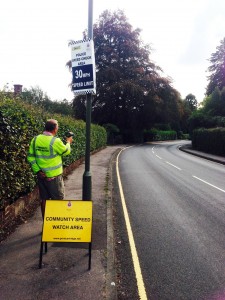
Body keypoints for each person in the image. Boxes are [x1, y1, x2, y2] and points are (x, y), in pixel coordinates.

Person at [27, 119, 73, 217]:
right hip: (54, 178)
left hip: (41, 176)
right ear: (55, 129)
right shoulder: (55, 141)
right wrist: (68, 142)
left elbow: (30, 157)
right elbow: (66, 151)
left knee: (44, 200)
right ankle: (55, 226)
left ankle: (46, 225)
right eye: (57, 127)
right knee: (58, 200)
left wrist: (38, 170)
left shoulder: (35, 139)